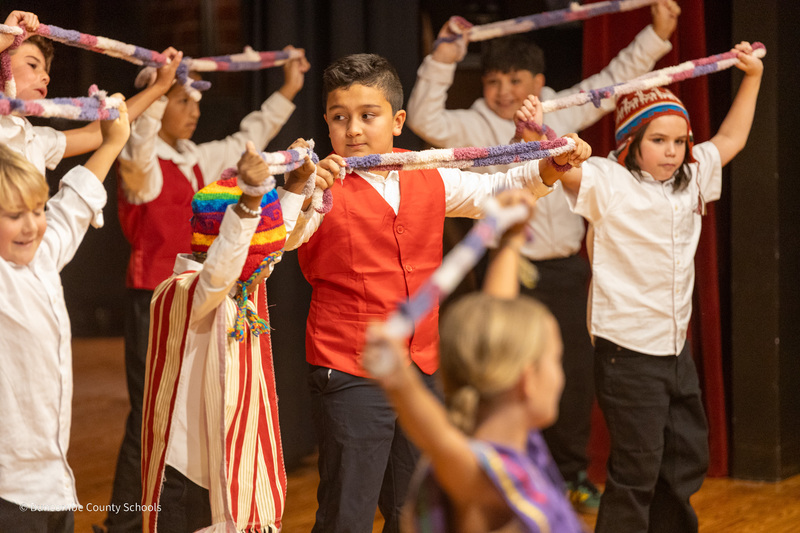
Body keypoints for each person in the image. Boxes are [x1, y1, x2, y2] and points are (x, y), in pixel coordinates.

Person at [282, 52, 590, 532]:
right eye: (340, 118)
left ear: (398, 121)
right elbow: (284, 238)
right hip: (348, 369)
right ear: (326, 122)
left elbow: (504, 190)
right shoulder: (319, 185)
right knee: (349, 513)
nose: (354, 129)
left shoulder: (427, 170)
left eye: (368, 116)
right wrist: (296, 192)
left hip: (422, 365)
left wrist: (551, 166)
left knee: (417, 510)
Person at [405, 0, 681, 513]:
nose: (505, 92)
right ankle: (509, 469)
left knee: (570, 376)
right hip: (509, 267)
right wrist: (444, 56)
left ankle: (572, 472)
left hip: (564, 268)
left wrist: (658, 34)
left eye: (516, 81)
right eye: (494, 82)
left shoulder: (559, 107)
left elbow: (614, 78)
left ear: (539, 81)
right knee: (506, 373)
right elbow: (422, 115)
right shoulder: (469, 126)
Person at [527, 42, 763, 533]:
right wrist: (535, 128)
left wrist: (754, 77)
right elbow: (563, 165)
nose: (672, 151)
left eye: (680, 141)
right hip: (627, 353)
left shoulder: (693, 178)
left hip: (675, 350)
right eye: (659, 140)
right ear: (632, 141)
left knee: (684, 460)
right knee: (636, 472)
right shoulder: (609, 181)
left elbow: (733, 138)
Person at [104, 45, 310, 533]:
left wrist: (287, 91)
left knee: (206, 408)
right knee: (152, 413)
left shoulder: (201, 158)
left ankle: (216, 502)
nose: (194, 110)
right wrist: (158, 87)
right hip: (166, 297)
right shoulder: (142, 163)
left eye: (197, 101)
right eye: (182, 101)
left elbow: (250, 140)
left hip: (219, 297)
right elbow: (139, 138)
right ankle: (127, 520)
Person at [362, 188, 586, 533]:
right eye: (555, 360)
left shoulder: (518, 442)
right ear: (525, 379)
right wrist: (399, 379)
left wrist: (511, 241)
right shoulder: (484, 476)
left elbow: (493, 332)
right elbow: (437, 437)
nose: (561, 376)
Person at [138, 140, 313, 533]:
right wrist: (250, 204)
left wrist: (295, 187)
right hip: (183, 477)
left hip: (227, 464)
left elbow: (267, 247)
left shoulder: (244, 285)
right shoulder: (183, 292)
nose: (269, 266)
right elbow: (223, 268)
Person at [0, 99, 130, 533]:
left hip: (55, 486)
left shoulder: (39, 256)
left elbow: (71, 206)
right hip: (8, 496)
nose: (32, 225)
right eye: (14, 215)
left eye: (36, 211)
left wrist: (114, 142)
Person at [1, 10, 182, 178]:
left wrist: (159, 87)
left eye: (46, 71)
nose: (46, 77)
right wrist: (6, 38)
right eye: (32, 65)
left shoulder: (36, 140)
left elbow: (96, 134)